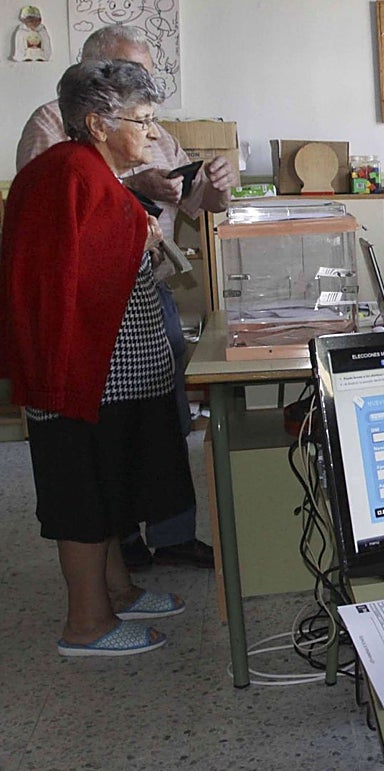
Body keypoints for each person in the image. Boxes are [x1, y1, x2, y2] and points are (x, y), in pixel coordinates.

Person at [16, 24, 234, 569]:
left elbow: (198, 204)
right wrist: (139, 194)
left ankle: (165, 535)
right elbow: (70, 217)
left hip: (137, 299)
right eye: (132, 85)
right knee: (97, 459)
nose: (149, 122)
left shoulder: (137, 132)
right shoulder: (59, 137)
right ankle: (114, 565)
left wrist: (211, 185)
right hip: (88, 325)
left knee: (152, 424)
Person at [0, 59, 192, 656]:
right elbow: (63, 274)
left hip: (113, 374)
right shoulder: (67, 173)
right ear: (98, 123)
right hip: (81, 376)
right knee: (85, 494)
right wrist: (138, 232)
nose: (153, 133)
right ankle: (86, 624)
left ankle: (118, 590)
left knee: (112, 487)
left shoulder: (95, 170)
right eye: (143, 120)